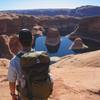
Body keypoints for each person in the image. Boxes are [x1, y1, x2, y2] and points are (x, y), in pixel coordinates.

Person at [8, 29, 53, 100]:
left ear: (19, 42)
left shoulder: (14, 61)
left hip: (26, 96)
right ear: (32, 41)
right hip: (42, 94)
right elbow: (47, 73)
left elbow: (12, 81)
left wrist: (13, 95)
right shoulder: (41, 57)